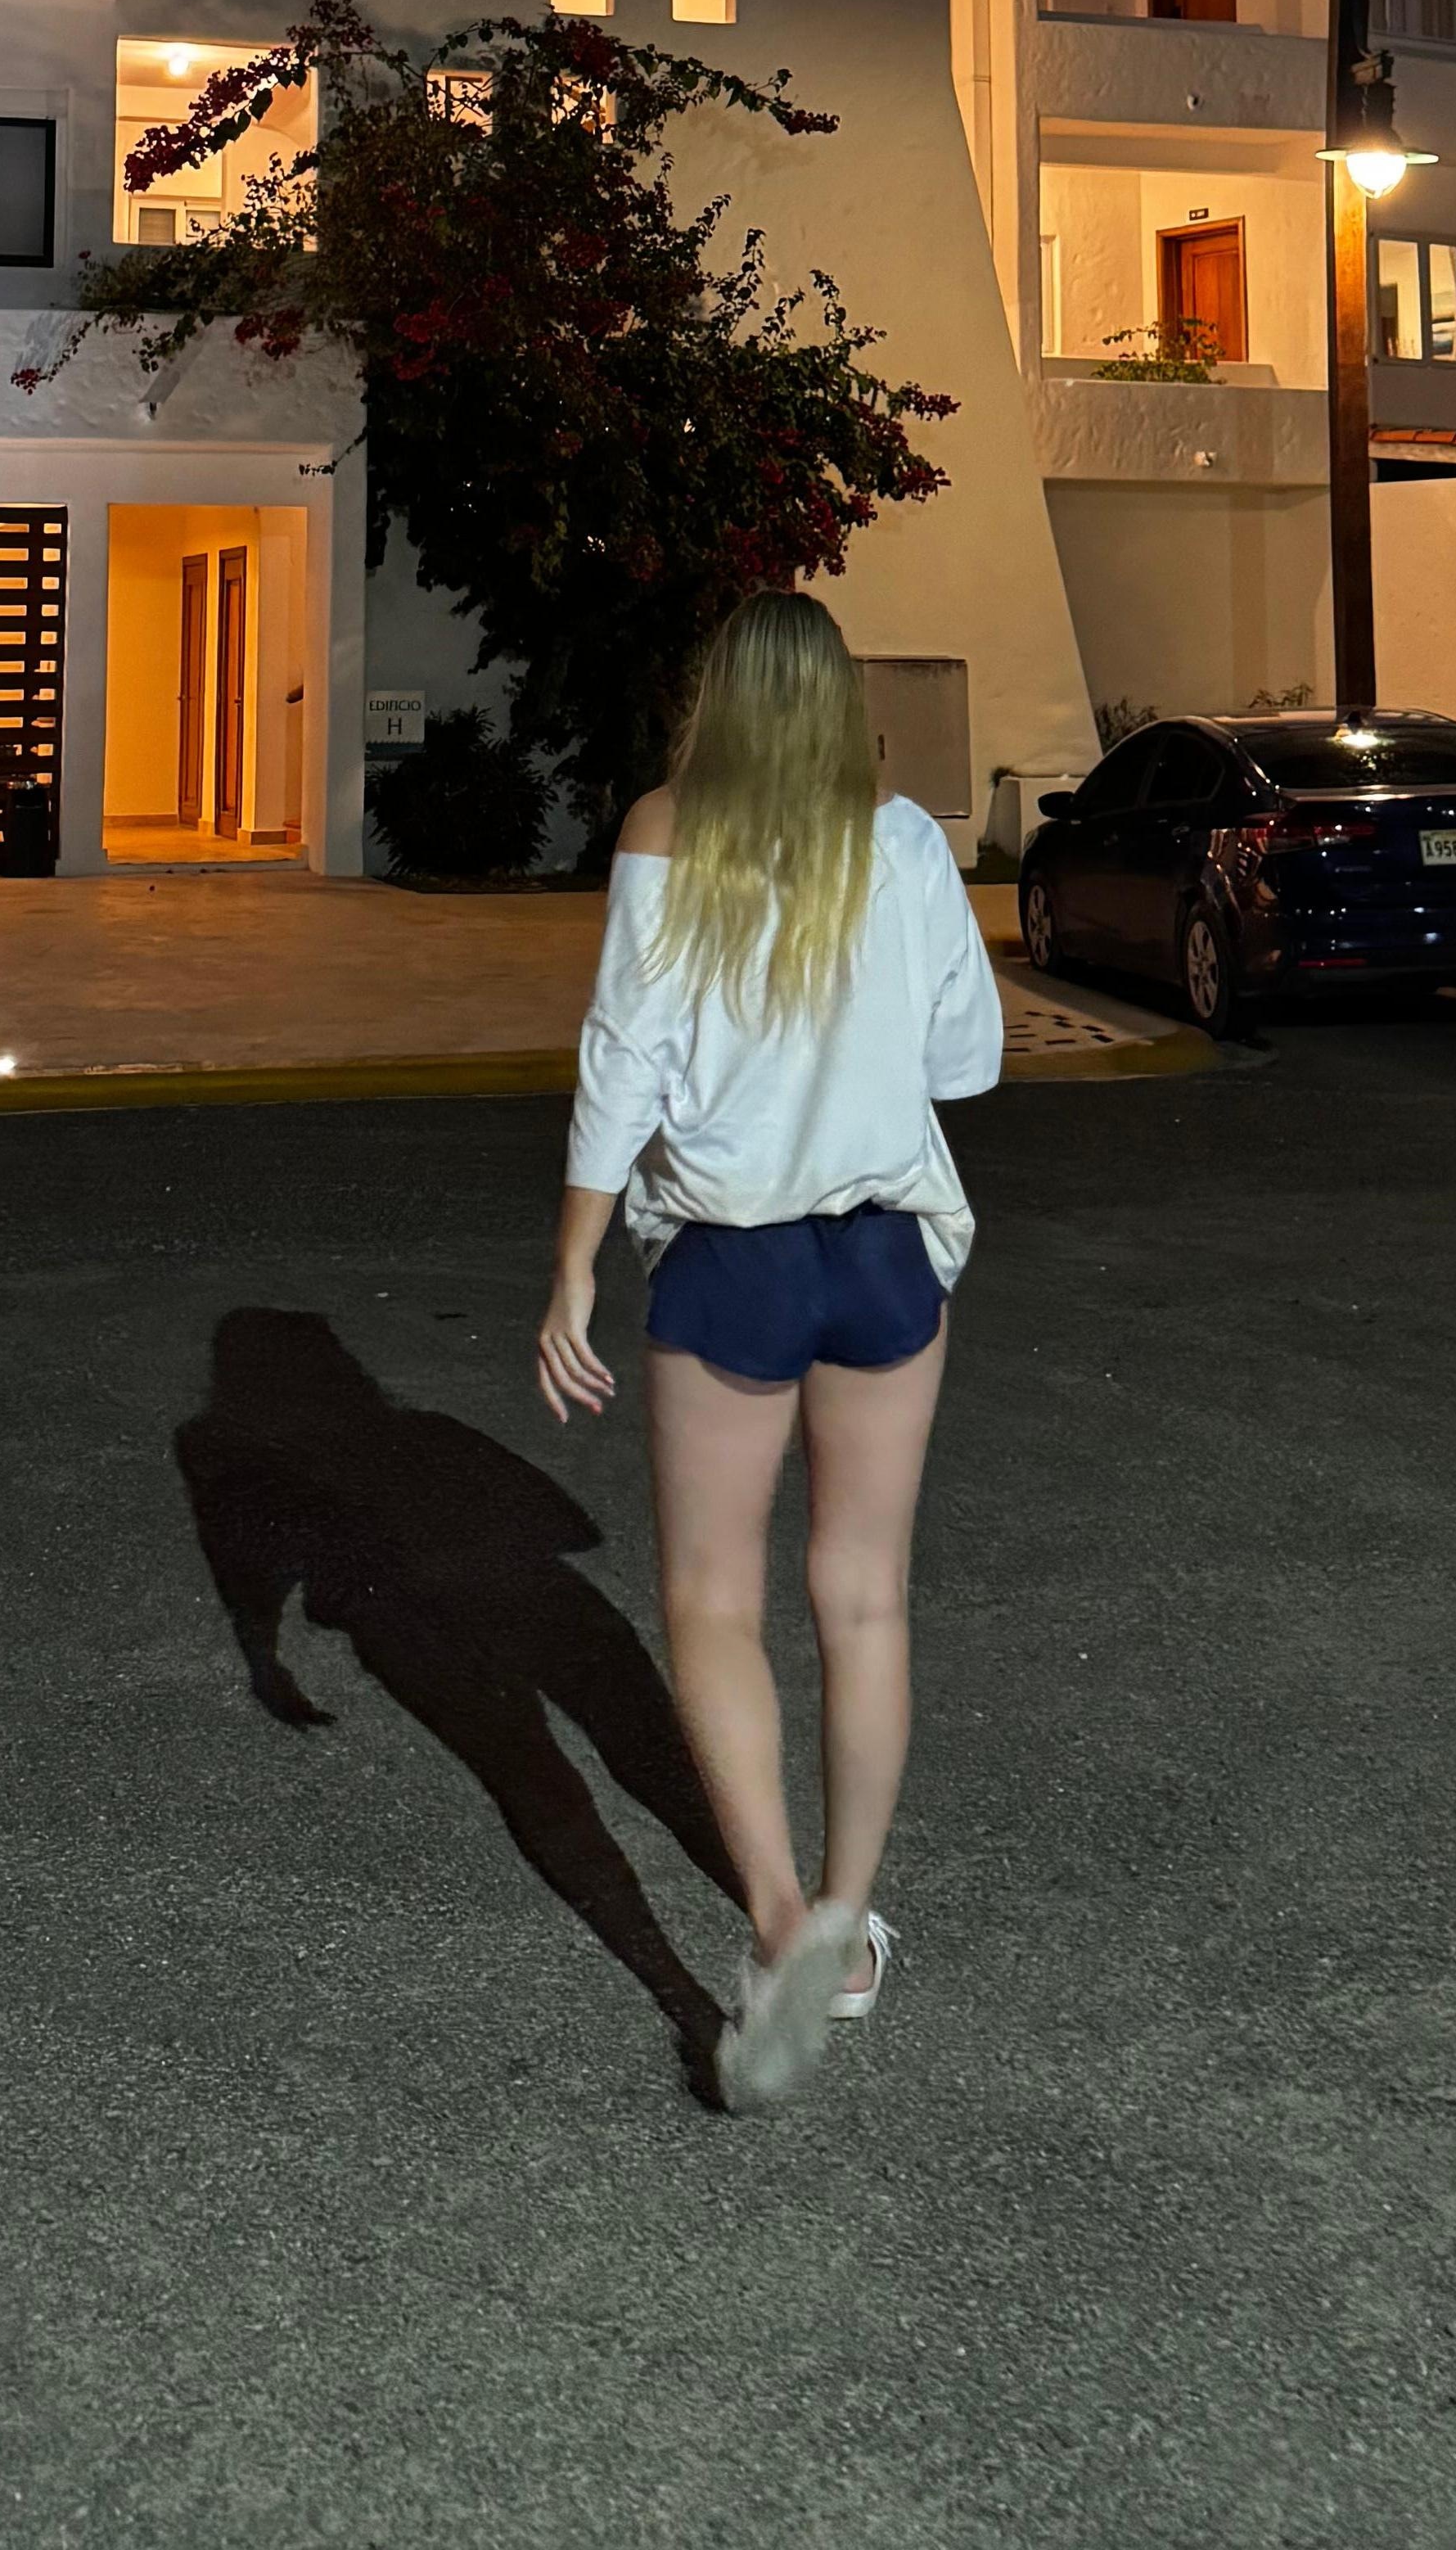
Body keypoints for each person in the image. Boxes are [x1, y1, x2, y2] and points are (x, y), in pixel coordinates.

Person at [536, 589, 1003, 2113]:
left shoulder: (668, 831)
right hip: (880, 1253)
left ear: (718, 696)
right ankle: (849, 1925)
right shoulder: (905, 841)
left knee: (712, 1598)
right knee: (861, 1592)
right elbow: (967, 1059)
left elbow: (623, 1063)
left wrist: (572, 1266)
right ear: (841, 701)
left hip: (731, 1263)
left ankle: (777, 1917)